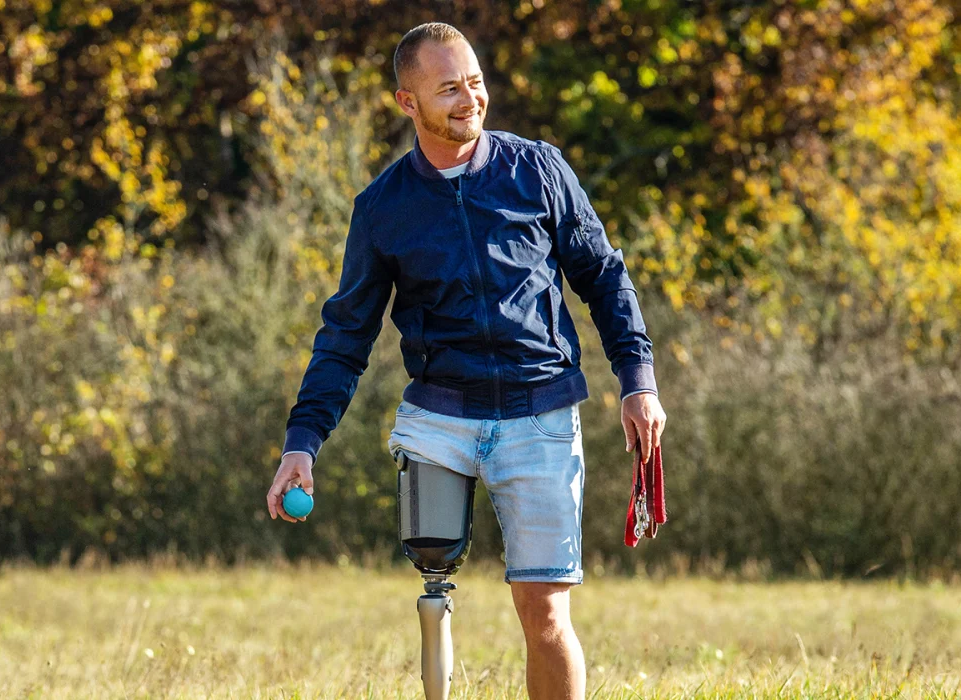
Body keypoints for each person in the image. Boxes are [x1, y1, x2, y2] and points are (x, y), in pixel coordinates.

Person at [264, 22, 667, 700]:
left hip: (540, 416)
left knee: (544, 613)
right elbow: (346, 334)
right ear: (407, 102)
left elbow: (602, 276)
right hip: (439, 420)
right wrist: (302, 442)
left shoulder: (537, 170)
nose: (468, 99)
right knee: (432, 584)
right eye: (448, 88)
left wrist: (637, 381)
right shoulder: (383, 209)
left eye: (474, 82)